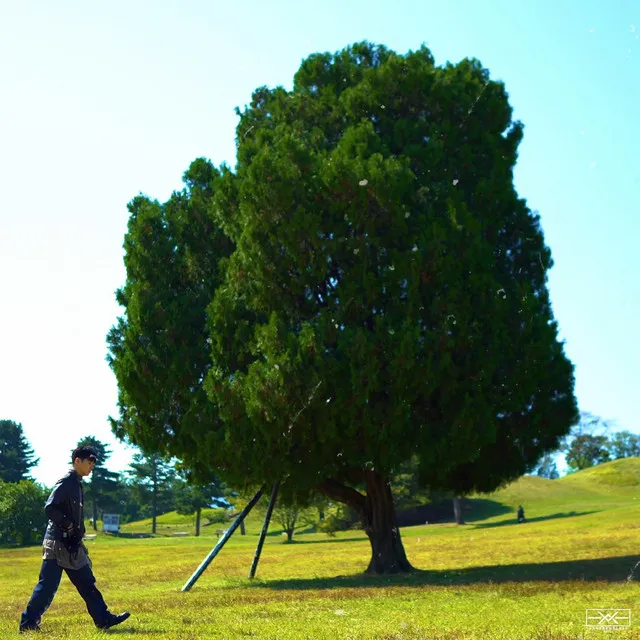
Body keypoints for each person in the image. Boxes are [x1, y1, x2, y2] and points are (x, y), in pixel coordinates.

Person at [19, 445, 131, 633]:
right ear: (77, 461)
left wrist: (78, 528)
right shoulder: (67, 482)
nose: (91, 467)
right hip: (58, 543)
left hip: (71, 544)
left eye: (93, 463)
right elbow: (50, 508)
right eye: (89, 462)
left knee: (87, 582)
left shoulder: (77, 483)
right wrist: (68, 524)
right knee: (47, 587)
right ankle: (28, 624)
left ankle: (103, 619)